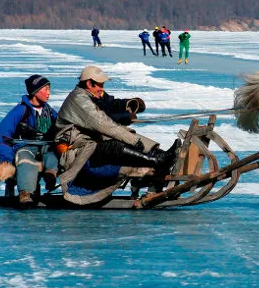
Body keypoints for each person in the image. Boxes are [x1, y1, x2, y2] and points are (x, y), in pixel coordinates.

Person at [54, 66, 181, 205]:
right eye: (100, 85)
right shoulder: (79, 100)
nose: (102, 88)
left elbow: (110, 104)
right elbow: (103, 124)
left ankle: (162, 159)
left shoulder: (91, 95)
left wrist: (128, 104)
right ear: (89, 83)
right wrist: (132, 139)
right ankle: (158, 162)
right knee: (116, 145)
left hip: (92, 144)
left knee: (129, 137)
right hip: (77, 152)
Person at [0, 75, 59, 207]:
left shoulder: (49, 111)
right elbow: (3, 133)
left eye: (49, 89)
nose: (49, 93)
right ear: (35, 91)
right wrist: (5, 157)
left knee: (53, 154)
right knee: (25, 161)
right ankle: (25, 193)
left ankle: (50, 174)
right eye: (45, 89)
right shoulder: (20, 110)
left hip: (46, 146)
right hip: (25, 146)